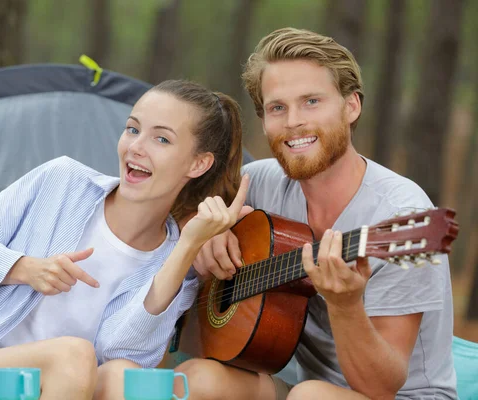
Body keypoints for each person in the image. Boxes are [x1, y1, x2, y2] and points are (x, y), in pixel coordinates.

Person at [0, 79, 248, 400]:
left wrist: (185, 249)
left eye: (161, 139)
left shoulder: (176, 264)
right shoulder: (61, 182)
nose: (136, 147)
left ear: (198, 164)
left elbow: (125, 353)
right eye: (133, 129)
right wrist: (22, 268)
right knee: (73, 355)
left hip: (65, 389)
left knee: (120, 376)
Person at [175, 28, 457, 400]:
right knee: (193, 380)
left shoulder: (402, 214)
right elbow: (174, 212)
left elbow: (382, 386)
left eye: (311, 101)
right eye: (278, 107)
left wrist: (346, 306)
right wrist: (202, 234)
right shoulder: (259, 183)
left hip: (401, 396)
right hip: (301, 387)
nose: (293, 121)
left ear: (351, 106)